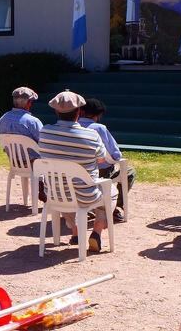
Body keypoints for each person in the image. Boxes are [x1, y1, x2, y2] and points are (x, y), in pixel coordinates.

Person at [38, 90, 110, 253]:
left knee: (64, 189)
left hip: (54, 193)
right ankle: (96, 231)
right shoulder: (92, 135)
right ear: (79, 111)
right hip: (85, 194)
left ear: (56, 111)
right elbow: (101, 159)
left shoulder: (45, 132)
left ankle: (76, 233)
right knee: (109, 191)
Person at [78, 98, 135, 222]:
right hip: (100, 172)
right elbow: (115, 154)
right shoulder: (99, 128)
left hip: (76, 172)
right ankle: (116, 205)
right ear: (99, 114)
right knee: (129, 172)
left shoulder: (74, 127)